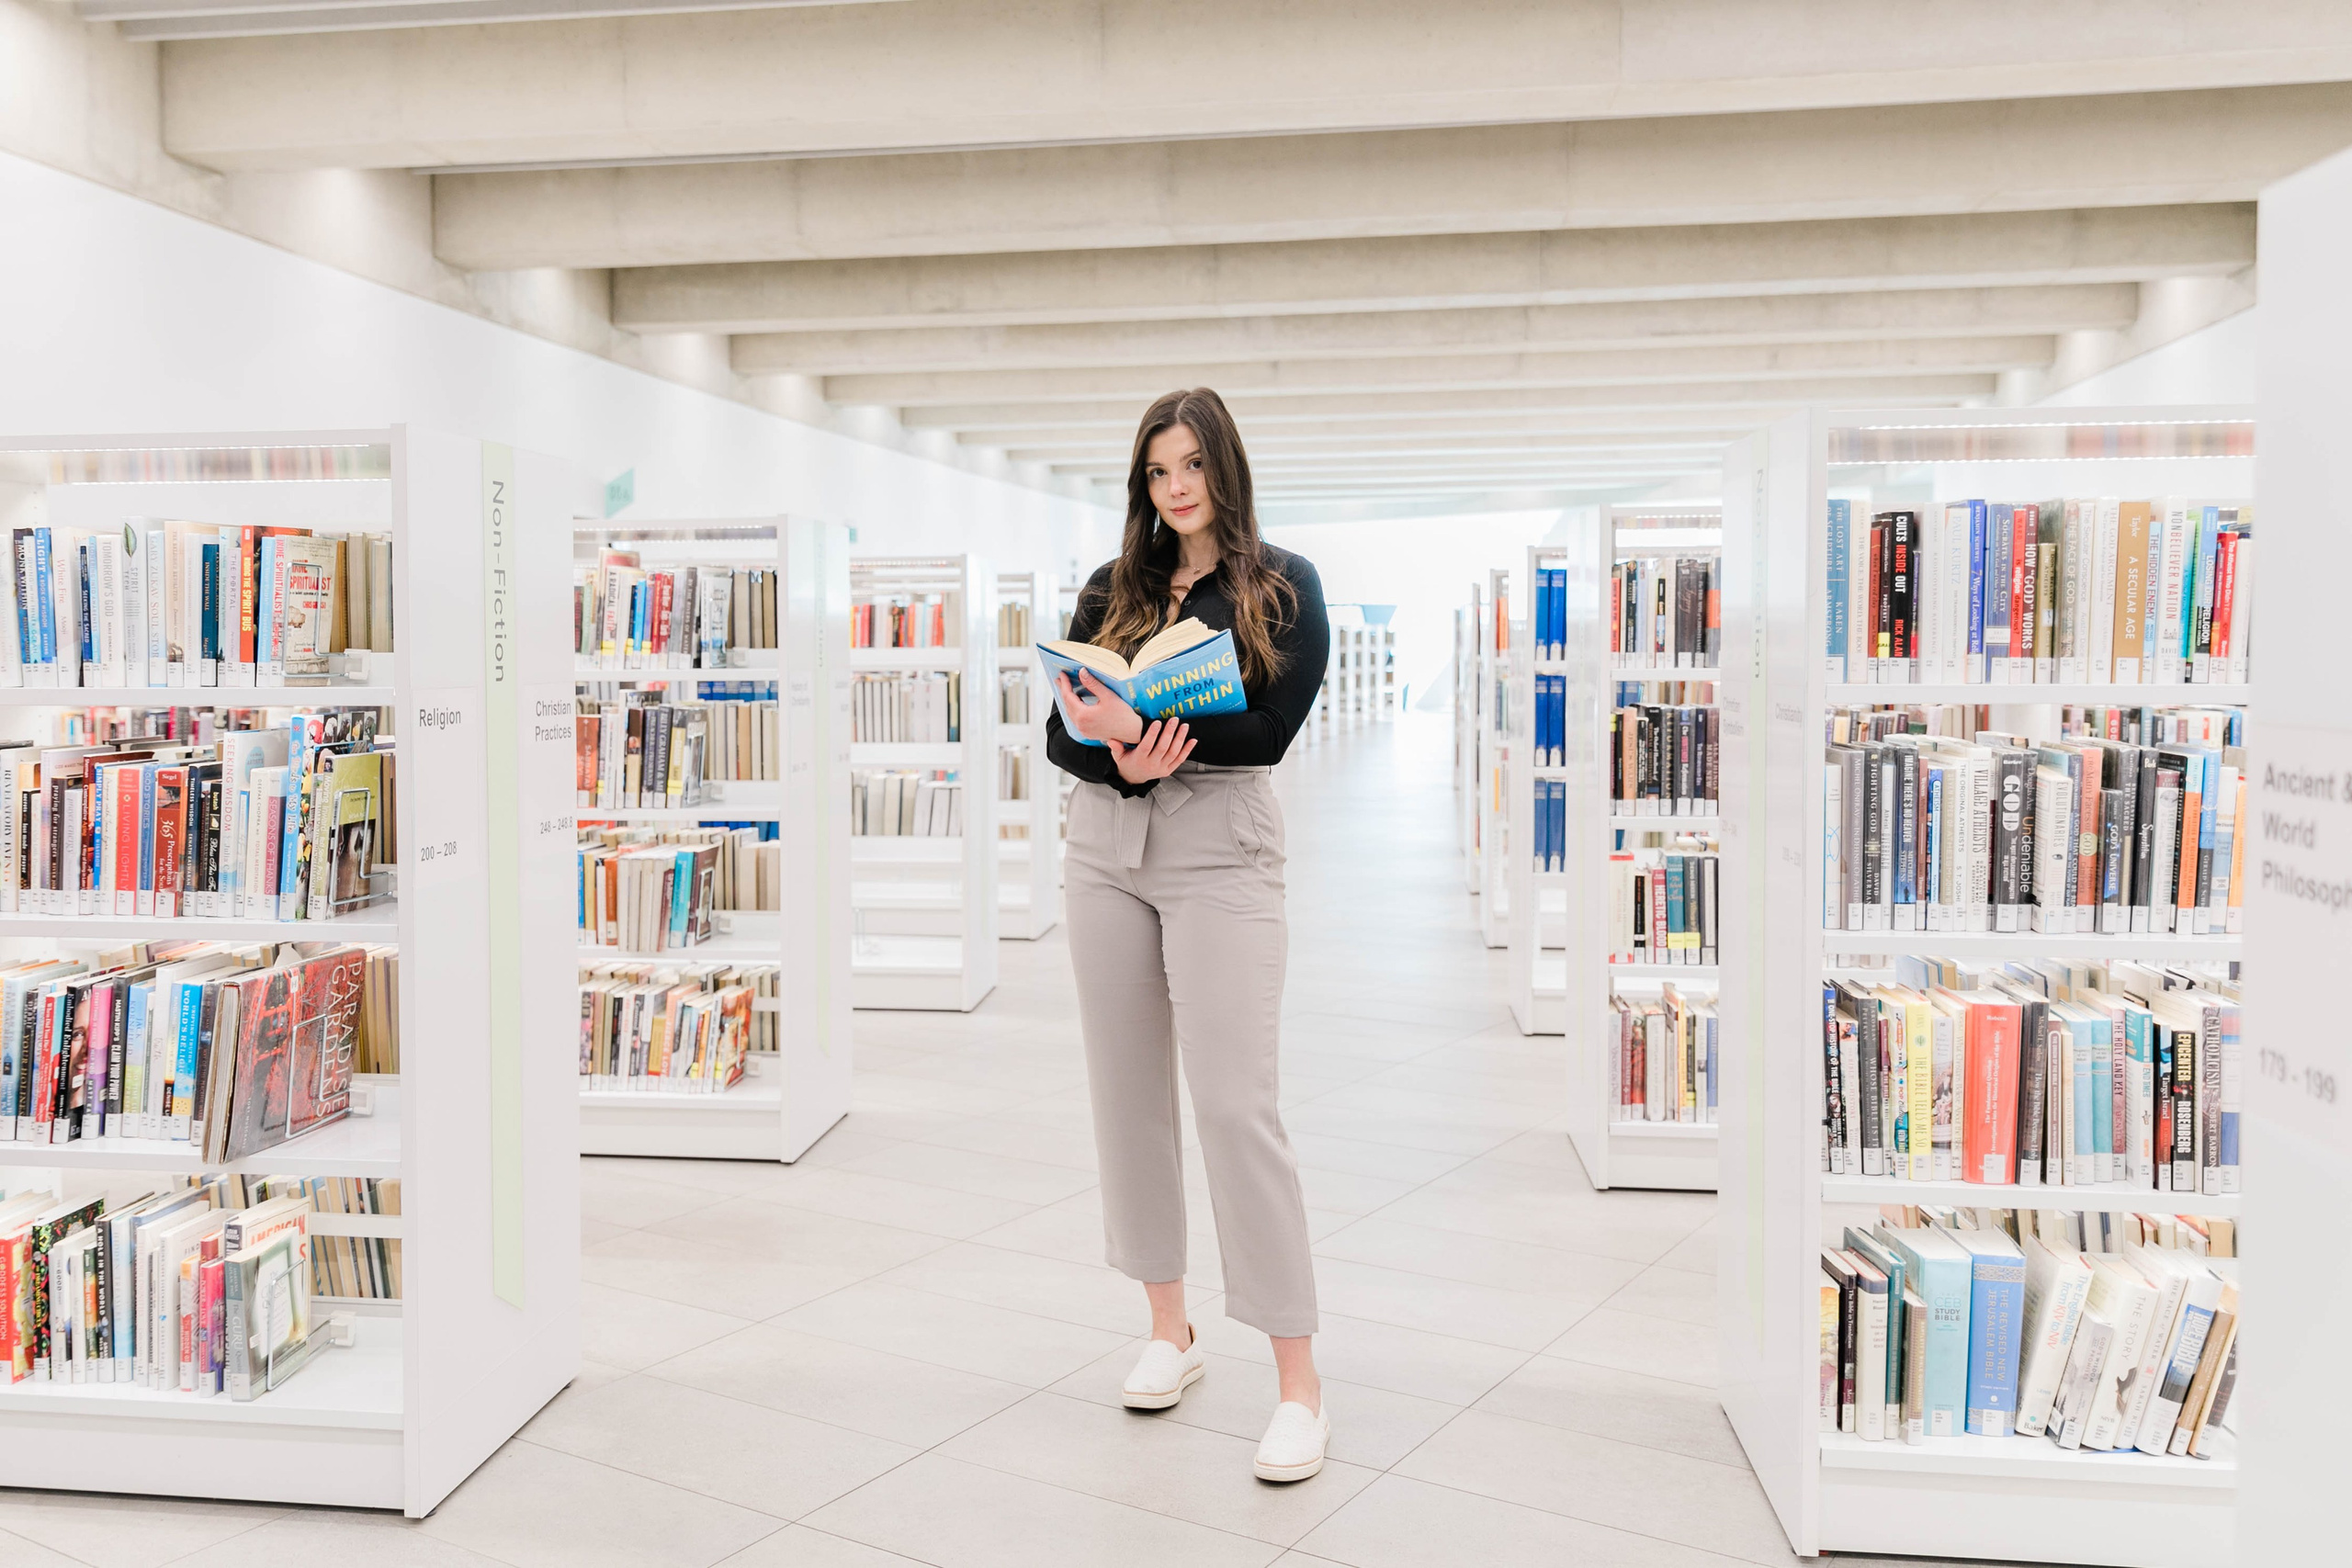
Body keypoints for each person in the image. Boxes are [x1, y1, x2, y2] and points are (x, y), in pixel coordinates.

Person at [1046, 387, 1333, 1483]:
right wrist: (1115, 751)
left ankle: (1299, 1385)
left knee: (1233, 1106)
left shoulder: (1281, 584)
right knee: (1126, 1095)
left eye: (1192, 467)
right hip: (1104, 845)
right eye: (1158, 470)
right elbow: (1059, 731)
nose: (1176, 488)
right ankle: (1168, 1331)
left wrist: (1157, 730)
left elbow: (1267, 730)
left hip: (1220, 848)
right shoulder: (1108, 587)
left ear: (1225, 469)